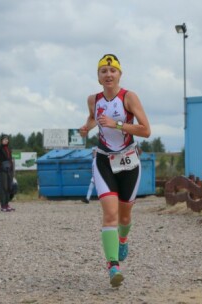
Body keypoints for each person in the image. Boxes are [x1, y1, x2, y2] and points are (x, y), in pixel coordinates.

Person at [79, 54, 151, 287]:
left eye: (112, 70)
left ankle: (123, 238)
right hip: (103, 160)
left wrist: (117, 124)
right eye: (103, 71)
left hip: (129, 161)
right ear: (98, 77)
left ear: (120, 74)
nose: (108, 74)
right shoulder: (93, 99)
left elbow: (146, 130)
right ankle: (113, 267)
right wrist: (86, 127)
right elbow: (94, 118)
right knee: (109, 214)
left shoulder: (129, 97)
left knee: (125, 216)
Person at [0, 135, 15, 212]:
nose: (6, 141)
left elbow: (10, 158)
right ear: (1, 141)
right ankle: (3, 205)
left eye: (7, 139)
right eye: (4, 139)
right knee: (4, 187)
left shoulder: (9, 148)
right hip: (2, 169)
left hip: (9, 169)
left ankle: (7, 204)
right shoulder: (0, 149)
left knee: (9, 187)